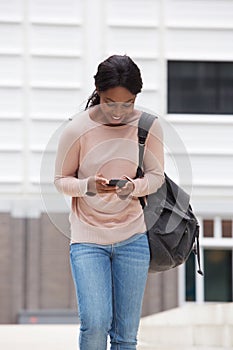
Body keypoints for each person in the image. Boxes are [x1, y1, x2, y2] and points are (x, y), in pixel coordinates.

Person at [54, 54, 164, 350]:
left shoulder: (148, 126)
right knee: (95, 324)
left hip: (132, 239)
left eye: (126, 103)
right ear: (97, 92)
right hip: (88, 241)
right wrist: (88, 186)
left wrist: (134, 187)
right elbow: (61, 180)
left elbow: (156, 176)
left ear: (136, 97)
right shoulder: (77, 129)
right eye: (110, 102)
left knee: (126, 336)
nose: (118, 112)